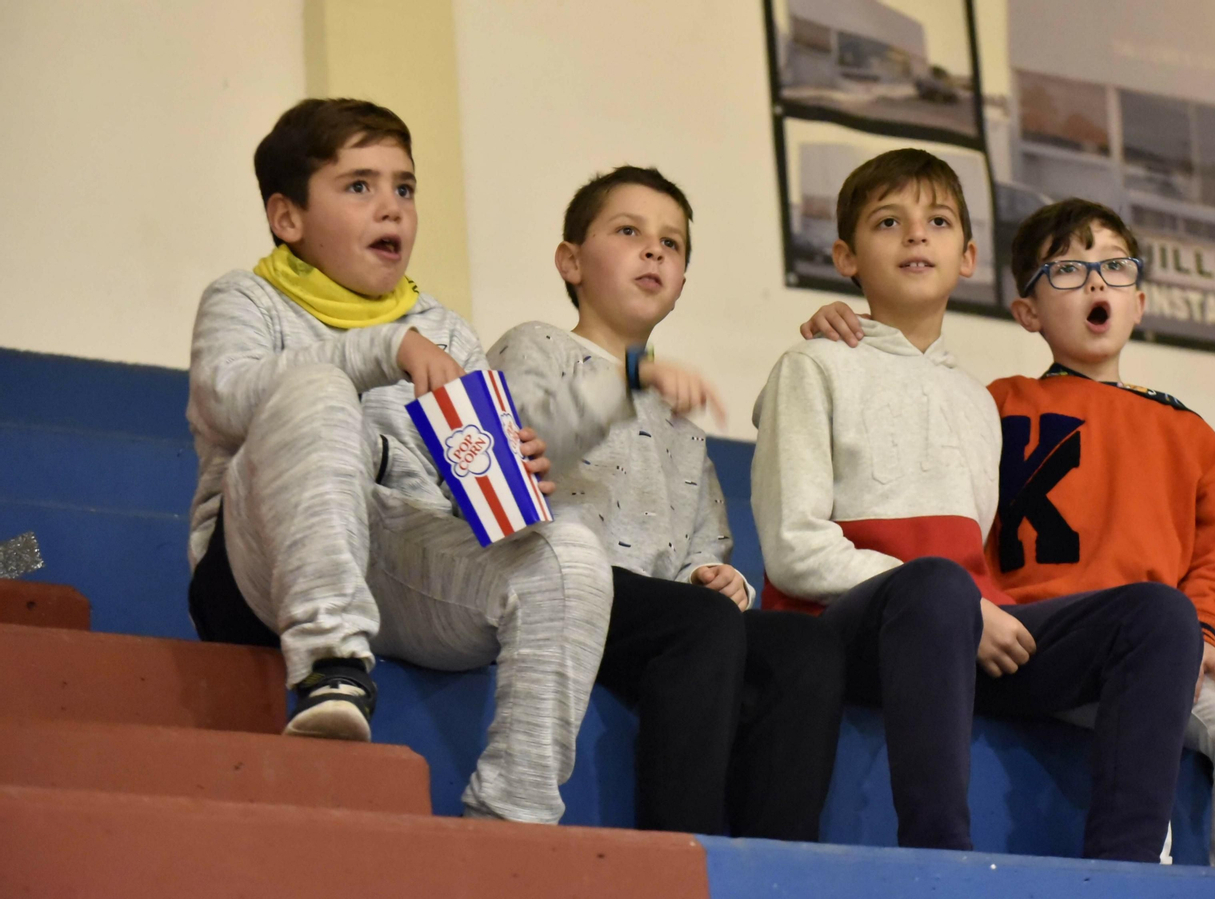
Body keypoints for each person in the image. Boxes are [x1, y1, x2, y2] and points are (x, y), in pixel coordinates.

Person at [800, 197, 1215, 869]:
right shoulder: (995, 402)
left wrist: (1204, 632)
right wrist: (849, 330)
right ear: (1027, 312)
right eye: (1067, 270)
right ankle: (1135, 877)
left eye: (1114, 266)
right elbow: (938, 481)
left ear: (1139, 301)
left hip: (1157, 651)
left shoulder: (1190, 431)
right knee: (1146, 737)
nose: (1095, 282)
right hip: (1033, 642)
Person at [753, 149, 1200, 861]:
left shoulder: (977, 399)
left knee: (1158, 615)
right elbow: (793, 550)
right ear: (844, 257)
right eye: (888, 222)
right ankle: (942, 859)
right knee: (936, 585)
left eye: (937, 221)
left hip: (960, 632)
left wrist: (973, 610)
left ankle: (1125, 869)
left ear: (967, 257)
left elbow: (982, 559)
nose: (915, 235)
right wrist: (962, 605)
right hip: (846, 634)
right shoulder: (812, 366)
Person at [185, 98, 612, 825]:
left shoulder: (445, 328)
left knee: (569, 553)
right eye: (360, 186)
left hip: (399, 566)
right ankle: (332, 668)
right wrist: (385, 347)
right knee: (317, 389)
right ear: (287, 217)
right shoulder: (245, 298)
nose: (391, 208)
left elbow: (467, 491)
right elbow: (225, 399)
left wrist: (504, 473)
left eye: (404, 188)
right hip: (262, 572)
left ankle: (516, 809)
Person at [489, 166, 844, 839]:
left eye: (671, 243)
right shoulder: (534, 343)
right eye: (629, 232)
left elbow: (703, 541)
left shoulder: (677, 413)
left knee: (804, 646)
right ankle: (683, 849)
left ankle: (774, 862)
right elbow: (524, 441)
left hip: (658, 612)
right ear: (571, 261)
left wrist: (719, 577)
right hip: (560, 585)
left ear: (680, 283)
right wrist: (631, 374)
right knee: (698, 624)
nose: (654, 249)